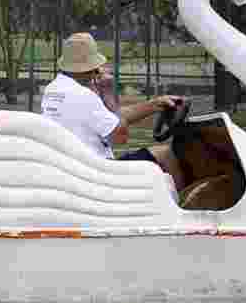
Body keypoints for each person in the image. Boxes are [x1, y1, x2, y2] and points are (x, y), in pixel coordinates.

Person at [41, 32, 187, 191]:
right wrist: (108, 93)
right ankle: (179, 208)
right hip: (99, 170)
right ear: (91, 68)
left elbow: (112, 118)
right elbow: (120, 135)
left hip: (71, 168)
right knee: (166, 153)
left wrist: (155, 104)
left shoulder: (53, 89)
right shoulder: (84, 96)